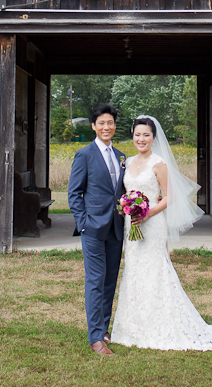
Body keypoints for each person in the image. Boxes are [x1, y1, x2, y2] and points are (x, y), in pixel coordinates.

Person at [111, 115, 212, 351]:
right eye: (137, 134)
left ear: (154, 138)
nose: (141, 139)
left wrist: (147, 213)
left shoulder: (158, 164)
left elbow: (170, 196)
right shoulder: (127, 162)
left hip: (152, 223)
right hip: (131, 225)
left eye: (146, 135)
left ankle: (161, 324)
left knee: (155, 270)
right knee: (134, 270)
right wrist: (128, 208)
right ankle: (132, 327)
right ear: (132, 136)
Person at [68, 103, 126, 356]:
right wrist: (84, 223)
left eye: (110, 123)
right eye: (101, 123)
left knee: (109, 281)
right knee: (95, 280)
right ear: (94, 126)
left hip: (116, 228)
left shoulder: (122, 156)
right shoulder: (84, 155)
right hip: (92, 228)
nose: (106, 127)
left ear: (115, 126)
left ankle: (103, 328)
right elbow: (74, 193)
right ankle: (95, 338)